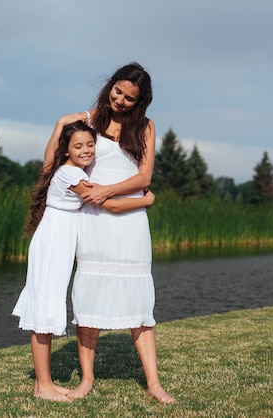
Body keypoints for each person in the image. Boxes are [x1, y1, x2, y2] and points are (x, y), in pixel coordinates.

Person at [45, 62, 175, 404]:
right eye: (117, 92)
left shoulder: (146, 128)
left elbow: (144, 177)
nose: (120, 101)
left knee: (140, 301)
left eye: (129, 98)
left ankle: (154, 383)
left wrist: (110, 191)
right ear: (110, 87)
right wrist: (59, 124)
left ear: (140, 101)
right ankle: (87, 379)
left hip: (131, 222)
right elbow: (57, 163)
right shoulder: (89, 121)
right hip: (94, 219)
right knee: (89, 297)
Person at [12, 121, 155, 402]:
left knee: (49, 304)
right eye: (78, 146)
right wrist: (146, 201)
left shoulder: (71, 170)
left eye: (91, 144)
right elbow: (110, 204)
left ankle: (47, 383)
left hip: (63, 241)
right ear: (66, 150)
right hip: (53, 241)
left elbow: (47, 162)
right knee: (45, 305)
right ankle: (42, 386)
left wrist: (60, 125)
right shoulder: (69, 175)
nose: (86, 150)